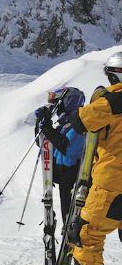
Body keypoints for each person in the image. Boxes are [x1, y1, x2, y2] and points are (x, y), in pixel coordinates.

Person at [48, 54, 122, 265]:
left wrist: (98, 98)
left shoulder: (114, 100)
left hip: (112, 179)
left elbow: (81, 121)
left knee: (87, 231)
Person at [33, 86, 87, 215]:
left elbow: (67, 148)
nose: (55, 107)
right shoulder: (64, 124)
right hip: (63, 176)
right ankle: (66, 232)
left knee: (72, 215)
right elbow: (42, 142)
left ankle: (73, 233)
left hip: (74, 178)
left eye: (57, 102)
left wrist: (47, 127)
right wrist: (40, 122)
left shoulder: (80, 123)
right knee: (66, 213)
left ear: (67, 102)